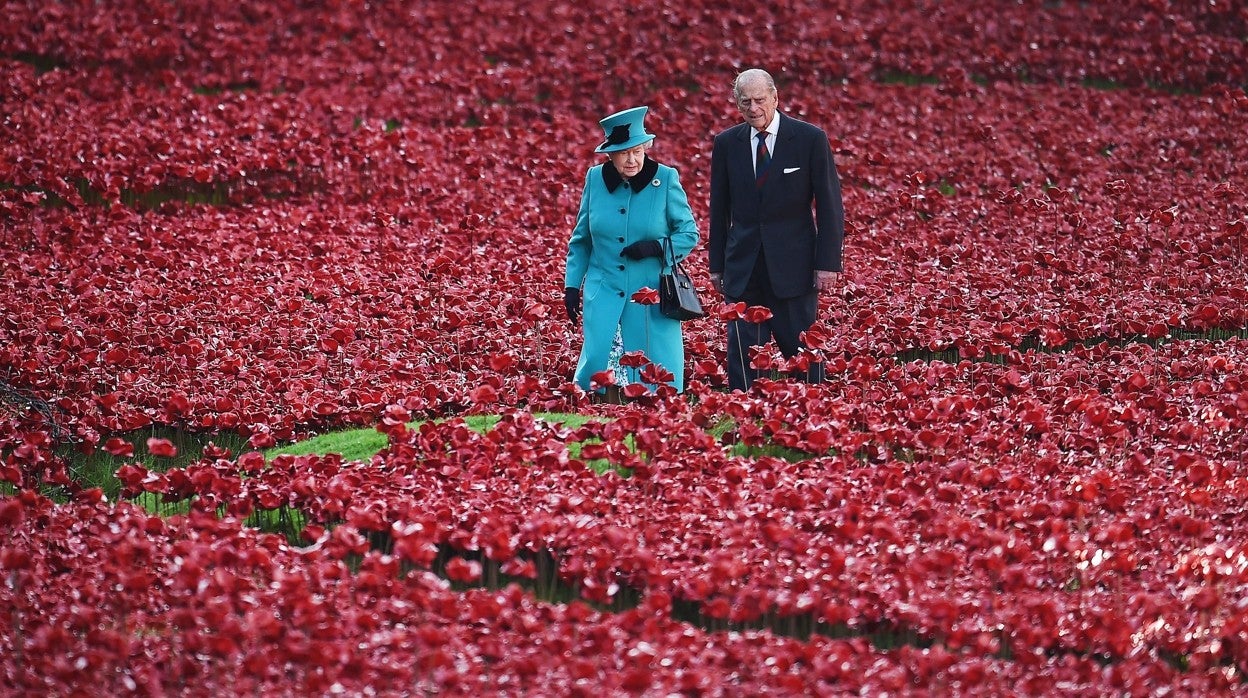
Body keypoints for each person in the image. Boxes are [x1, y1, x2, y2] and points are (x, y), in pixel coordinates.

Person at [708, 68, 844, 391]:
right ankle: (743, 417)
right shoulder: (727, 144)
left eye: (759, 100)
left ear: (775, 98)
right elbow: (719, 208)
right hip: (743, 268)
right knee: (741, 355)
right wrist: (717, 266)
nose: (753, 108)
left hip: (794, 268)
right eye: (745, 102)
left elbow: (829, 205)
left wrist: (827, 263)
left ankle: (812, 419)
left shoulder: (810, 140)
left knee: (803, 354)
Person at [564, 106, 700, 396]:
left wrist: (657, 247)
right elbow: (582, 239)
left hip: (650, 294)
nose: (632, 159)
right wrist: (572, 286)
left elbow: (689, 233)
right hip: (604, 292)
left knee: (656, 379)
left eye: (638, 151)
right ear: (610, 154)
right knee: (597, 378)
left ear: (647, 148)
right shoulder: (594, 180)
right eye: (624, 152)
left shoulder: (665, 180)